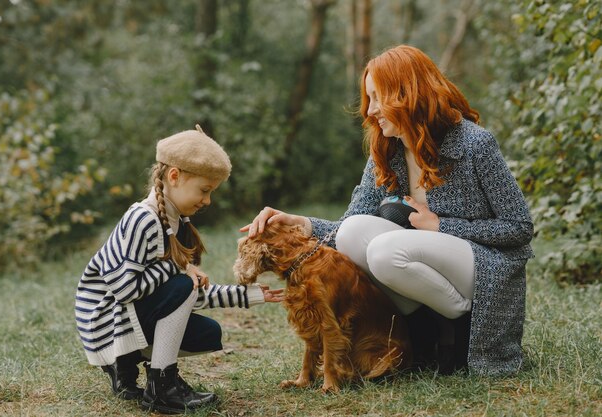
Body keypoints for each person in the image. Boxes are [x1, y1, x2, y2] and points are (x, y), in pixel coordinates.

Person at [242, 45, 534, 377]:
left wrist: (440, 225)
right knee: (355, 233)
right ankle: (421, 336)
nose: (371, 111)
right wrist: (303, 224)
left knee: (386, 250)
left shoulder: (474, 144)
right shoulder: (386, 149)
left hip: (482, 265)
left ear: (408, 94)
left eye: (378, 99)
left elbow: (519, 227)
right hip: (418, 261)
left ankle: (462, 330)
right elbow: (349, 225)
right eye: (369, 100)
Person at [75, 125, 284, 414]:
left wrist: (248, 295)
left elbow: (184, 298)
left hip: (132, 314)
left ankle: (137, 370)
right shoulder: (143, 220)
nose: (208, 201)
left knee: (207, 333)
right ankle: (160, 386)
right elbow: (124, 290)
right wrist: (177, 268)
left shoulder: (178, 225)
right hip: (105, 323)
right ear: (174, 176)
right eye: (204, 190)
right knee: (182, 284)